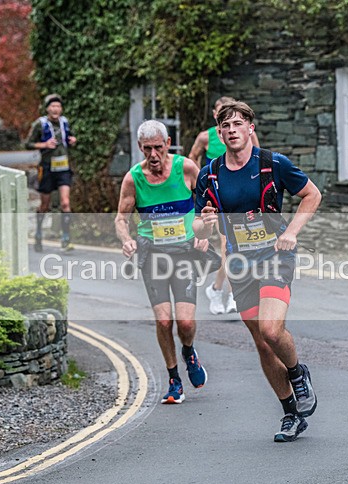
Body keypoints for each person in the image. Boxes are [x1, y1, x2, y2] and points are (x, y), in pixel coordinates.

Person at [195, 101, 322, 442]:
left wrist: (292, 232)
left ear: (251, 127)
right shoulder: (210, 174)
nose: (232, 130)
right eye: (226, 126)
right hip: (239, 264)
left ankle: (297, 373)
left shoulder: (272, 164)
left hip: (275, 256)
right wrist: (204, 226)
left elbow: (312, 195)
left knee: (270, 329)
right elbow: (198, 225)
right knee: (263, 345)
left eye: (238, 123)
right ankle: (290, 415)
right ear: (219, 134)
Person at [115, 120, 208, 404]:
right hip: (151, 254)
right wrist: (126, 239)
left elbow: (207, 207)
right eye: (147, 149)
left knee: (186, 323)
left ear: (168, 144)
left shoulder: (187, 169)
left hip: (183, 254)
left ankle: (189, 351)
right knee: (164, 320)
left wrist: (204, 232)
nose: (153, 155)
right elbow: (121, 217)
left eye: (158, 148)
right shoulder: (134, 178)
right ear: (140, 148)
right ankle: (174, 380)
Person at [189, 96, 260, 315]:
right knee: (227, 247)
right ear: (215, 116)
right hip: (216, 200)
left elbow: (257, 159)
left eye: (233, 117)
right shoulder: (205, 137)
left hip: (239, 198)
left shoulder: (247, 133)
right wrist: (200, 187)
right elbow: (192, 159)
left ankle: (221, 290)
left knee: (237, 248)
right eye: (223, 115)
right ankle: (226, 292)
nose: (229, 123)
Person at [25, 94, 77, 252]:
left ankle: (66, 239)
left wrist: (73, 140)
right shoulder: (40, 124)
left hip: (63, 167)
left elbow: (70, 137)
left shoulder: (65, 122)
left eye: (58, 106)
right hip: (47, 168)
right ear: (47, 108)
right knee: (44, 205)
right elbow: (27, 144)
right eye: (52, 106)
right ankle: (39, 234)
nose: (55, 109)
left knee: (65, 203)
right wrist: (44, 144)